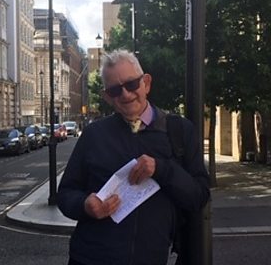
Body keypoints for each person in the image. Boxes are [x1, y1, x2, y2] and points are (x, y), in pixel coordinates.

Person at [57, 49, 210, 265]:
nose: (126, 95)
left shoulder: (179, 131)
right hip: (89, 258)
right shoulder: (94, 134)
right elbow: (65, 193)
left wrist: (162, 169)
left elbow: (199, 196)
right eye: (115, 90)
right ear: (107, 97)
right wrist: (84, 205)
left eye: (131, 84)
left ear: (146, 83)